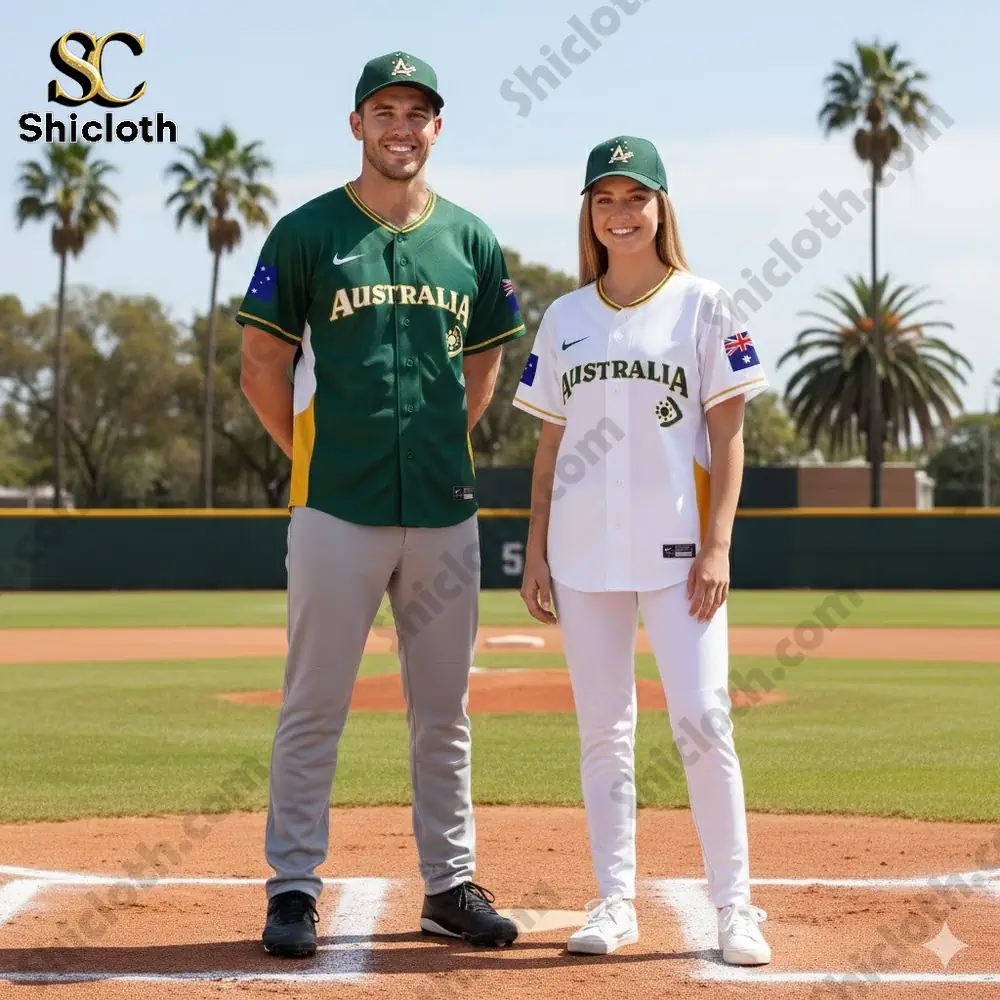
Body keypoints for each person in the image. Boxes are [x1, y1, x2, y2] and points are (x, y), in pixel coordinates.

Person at [237, 50, 525, 958]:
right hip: (335, 510)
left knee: (443, 710)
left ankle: (449, 883)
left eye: (418, 113)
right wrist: (316, 455)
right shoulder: (306, 231)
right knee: (314, 703)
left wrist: (444, 441)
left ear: (437, 128)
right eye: (385, 111)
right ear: (357, 124)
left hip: (444, 509)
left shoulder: (472, 240)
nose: (402, 127)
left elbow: (485, 364)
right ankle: (291, 888)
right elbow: (259, 367)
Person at [512, 135, 772, 964]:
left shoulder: (705, 303)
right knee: (603, 730)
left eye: (636, 198)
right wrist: (535, 550)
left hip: (680, 554)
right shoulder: (564, 316)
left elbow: (729, 439)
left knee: (703, 721)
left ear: (663, 207)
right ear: (588, 214)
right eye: (605, 200)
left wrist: (719, 545)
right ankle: (614, 901)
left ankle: (737, 909)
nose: (621, 214)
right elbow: (549, 452)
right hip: (582, 555)